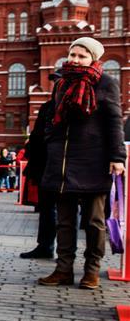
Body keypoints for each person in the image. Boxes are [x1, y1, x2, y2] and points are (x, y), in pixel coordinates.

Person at [39, 38, 125, 290]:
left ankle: (91, 271)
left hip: (93, 161)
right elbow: (52, 118)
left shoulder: (106, 83)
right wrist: (50, 141)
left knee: (94, 221)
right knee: (64, 221)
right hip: (63, 162)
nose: (75, 60)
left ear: (93, 59)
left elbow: (114, 122)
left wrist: (117, 157)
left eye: (82, 56)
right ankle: (63, 269)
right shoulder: (62, 82)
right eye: (73, 55)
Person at [20, 92, 57, 259]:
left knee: (64, 211)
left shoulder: (77, 103)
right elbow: (37, 135)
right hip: (44, 165)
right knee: (47, 208)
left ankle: (65, 256)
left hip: (64, 165)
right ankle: (45, 246)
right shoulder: (47, 107)